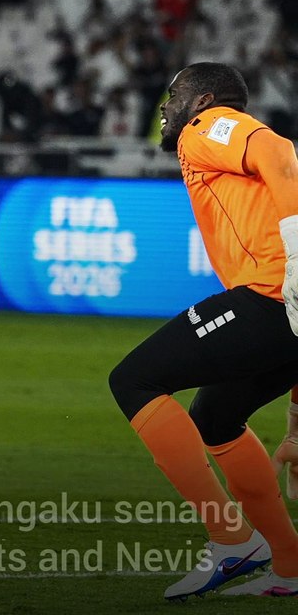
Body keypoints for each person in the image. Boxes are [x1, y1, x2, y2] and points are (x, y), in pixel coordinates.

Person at [108, 62, 298, 599]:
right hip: (290, 314)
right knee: (214, 417)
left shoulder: (206, 126)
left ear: (203, 99)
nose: (166, 108)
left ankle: (231, 539)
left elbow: (279, 151)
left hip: (269, 298)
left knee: (134, 381)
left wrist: (296, 252)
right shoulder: (227, 157)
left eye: (174, 96)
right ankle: (290, 564)